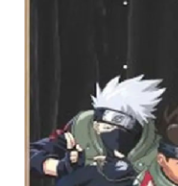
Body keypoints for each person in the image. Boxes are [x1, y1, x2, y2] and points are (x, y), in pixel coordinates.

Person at [30, 75, 166, 178]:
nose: (101, 132)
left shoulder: (158, 151)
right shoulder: (81, 130)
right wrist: (58, 167)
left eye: (109, 128)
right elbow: (31, 153)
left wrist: (131, 176)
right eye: (103, 127)